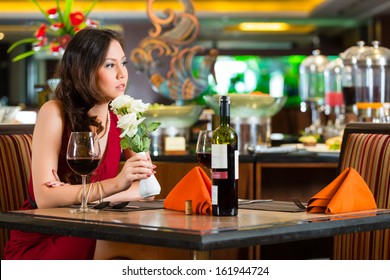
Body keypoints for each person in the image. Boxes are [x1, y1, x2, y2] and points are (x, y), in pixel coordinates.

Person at [4, 28, 156, 260]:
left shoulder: (124, 116)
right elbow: (45, 198)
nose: (122, 74)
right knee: (119, 240)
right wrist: (116, 185)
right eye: (109, 65)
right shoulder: (54, 112)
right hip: (46, 235)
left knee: (146, 241)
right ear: (84, 71)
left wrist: (86, 196)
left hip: (97, 225)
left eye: (123, 63)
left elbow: (148, 190)